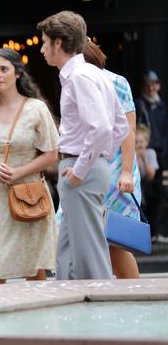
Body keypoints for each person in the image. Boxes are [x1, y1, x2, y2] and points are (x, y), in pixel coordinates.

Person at [37, 11, 128, 280]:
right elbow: (120, 126)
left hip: (79, 169)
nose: (41, 49)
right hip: (85, 167)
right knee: (68, 253)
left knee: (88, 257)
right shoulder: (93, 73)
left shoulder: (79, 77)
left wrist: (81, 169)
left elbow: (102, 128)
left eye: (44, 42)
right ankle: (74, 313)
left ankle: (98, 317)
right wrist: (99, 160)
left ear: (59, 42)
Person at [0, 48, 59, 285]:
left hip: (29, 192)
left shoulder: (36, 108)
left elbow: (51, 154)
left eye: (4, 69)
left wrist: (19, 171)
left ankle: (41, 319)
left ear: (18, 73)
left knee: (33, 262)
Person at [54, 40, 142, 279]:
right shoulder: (74, 79)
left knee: (115, 240)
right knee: (73, 230)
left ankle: (132, 292)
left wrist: (125, 171)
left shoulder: (113, 81)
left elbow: (128, 129)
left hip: (112, 167)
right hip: (89, 162)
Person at [135, 70, 167, 240]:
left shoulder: (162, 107)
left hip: (159, 154)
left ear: (159, 86)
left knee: (159, 192)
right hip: (141, 151)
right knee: (142, 193)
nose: (151, 88)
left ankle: (157, 231)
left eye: (154, 84)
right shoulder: (139, 105)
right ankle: (144, 232)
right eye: (148, 84)